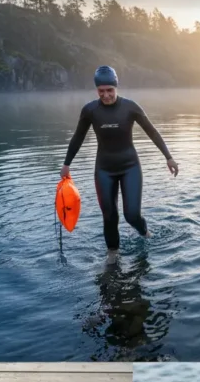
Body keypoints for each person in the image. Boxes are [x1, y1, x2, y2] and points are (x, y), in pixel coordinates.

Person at [61, 65, 179, 263]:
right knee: (109, 217)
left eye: (110, 90)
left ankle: (145, 233)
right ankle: (113, 255)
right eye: (101, 91)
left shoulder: (130, 107)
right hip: (104, 170)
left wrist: (168, 157)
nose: (106, 95)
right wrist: (66, 164)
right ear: (96, 90)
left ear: (116, 88)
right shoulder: (90, 110)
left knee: (131, 215)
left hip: (129, 167)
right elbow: (78, 138)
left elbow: (152, 131)